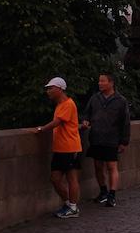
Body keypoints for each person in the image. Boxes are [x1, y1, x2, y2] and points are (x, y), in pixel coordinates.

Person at [35, 77, 83, 219]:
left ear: (60, 89)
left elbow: (57, 122)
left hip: (70, 147)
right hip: (60, 148)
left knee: (71, 178)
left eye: (51, 88)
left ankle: (73, 207)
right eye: (48, 89)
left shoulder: (68, 104)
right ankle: (68, 204)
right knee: (55, 179)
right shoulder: (60, 105)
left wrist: (42, 129)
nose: (48, 91)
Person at [80, 72, 130, 207]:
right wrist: (84, 121)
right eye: (99, 81)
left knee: (111, 166)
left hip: (112, 138)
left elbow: (125, 122)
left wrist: (124, 141)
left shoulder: (120, 101)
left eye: (103, 81)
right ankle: (103, 191)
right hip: (96, 137)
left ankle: (112, 194)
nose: (100, 83)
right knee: (98, 166)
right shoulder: (95, 98)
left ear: (111, 83)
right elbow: (86, 114)